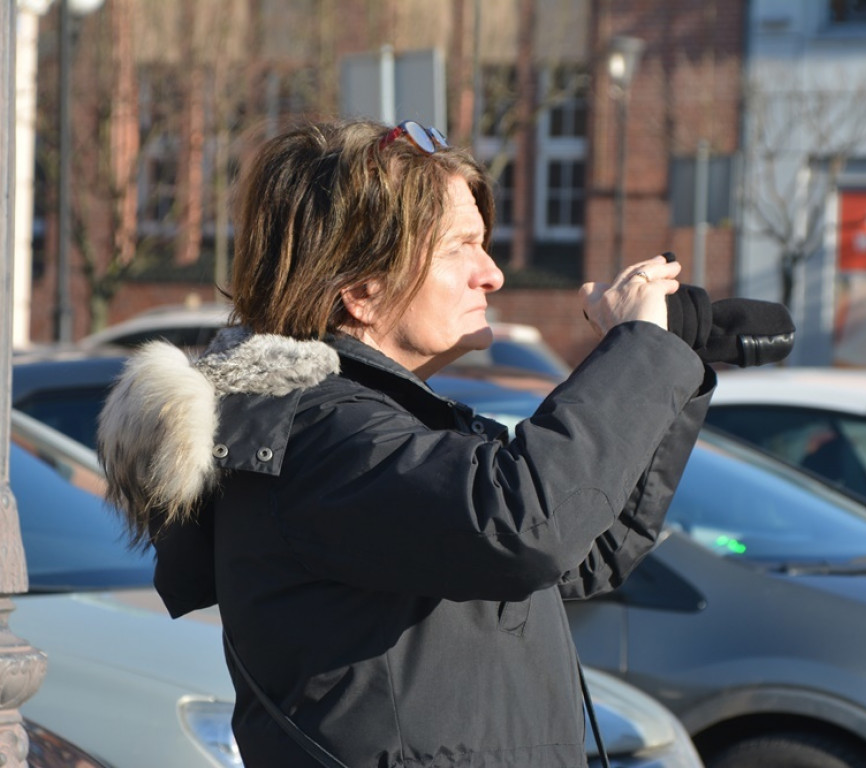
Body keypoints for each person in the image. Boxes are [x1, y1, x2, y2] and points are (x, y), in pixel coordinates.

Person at [97, 118, 716, 768]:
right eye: (461, 247)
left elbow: (584, 552)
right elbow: (523, 525)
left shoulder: (385, 424)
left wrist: (670, 365)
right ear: (364, 290)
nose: (494, 274)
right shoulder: (317, 435)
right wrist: (638, 353)